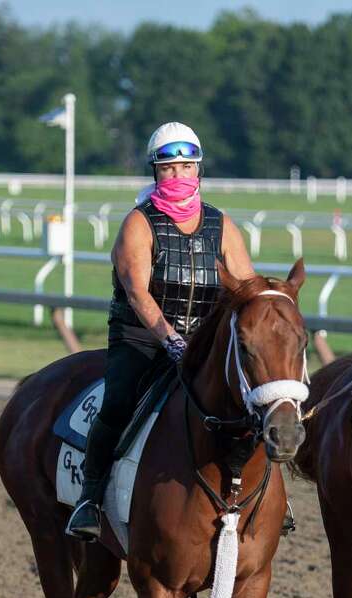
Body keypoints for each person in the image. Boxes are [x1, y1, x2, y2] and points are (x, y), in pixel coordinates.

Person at [66, 122, 254, 541]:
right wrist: (171, 340)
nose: (179, 176)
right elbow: (137, 292)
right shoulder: (139, 223)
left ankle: (269, 501)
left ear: (199, 170)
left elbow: (245, 288)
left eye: (187, 167)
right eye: (169, 169)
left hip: (203, 346)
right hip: (142, 340)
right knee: (117, 402)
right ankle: (91, 499)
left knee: (252, 405)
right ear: (155, 173)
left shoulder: (222, 226)